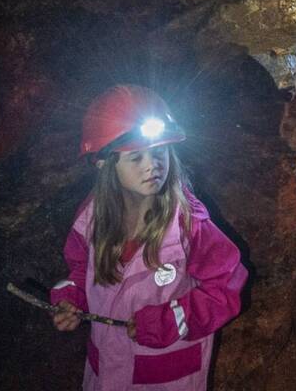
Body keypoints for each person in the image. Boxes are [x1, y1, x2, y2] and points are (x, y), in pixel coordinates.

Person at [51, 85, 248, 390]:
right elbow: (81, 269)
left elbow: (227, 286)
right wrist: (71, 298)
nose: (152, 165)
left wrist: (172, 319)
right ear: (104, 163)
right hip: (105, 372)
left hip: (167, 377)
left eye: (159, 151)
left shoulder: (188, 225)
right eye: (136, 157)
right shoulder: (90, 218)